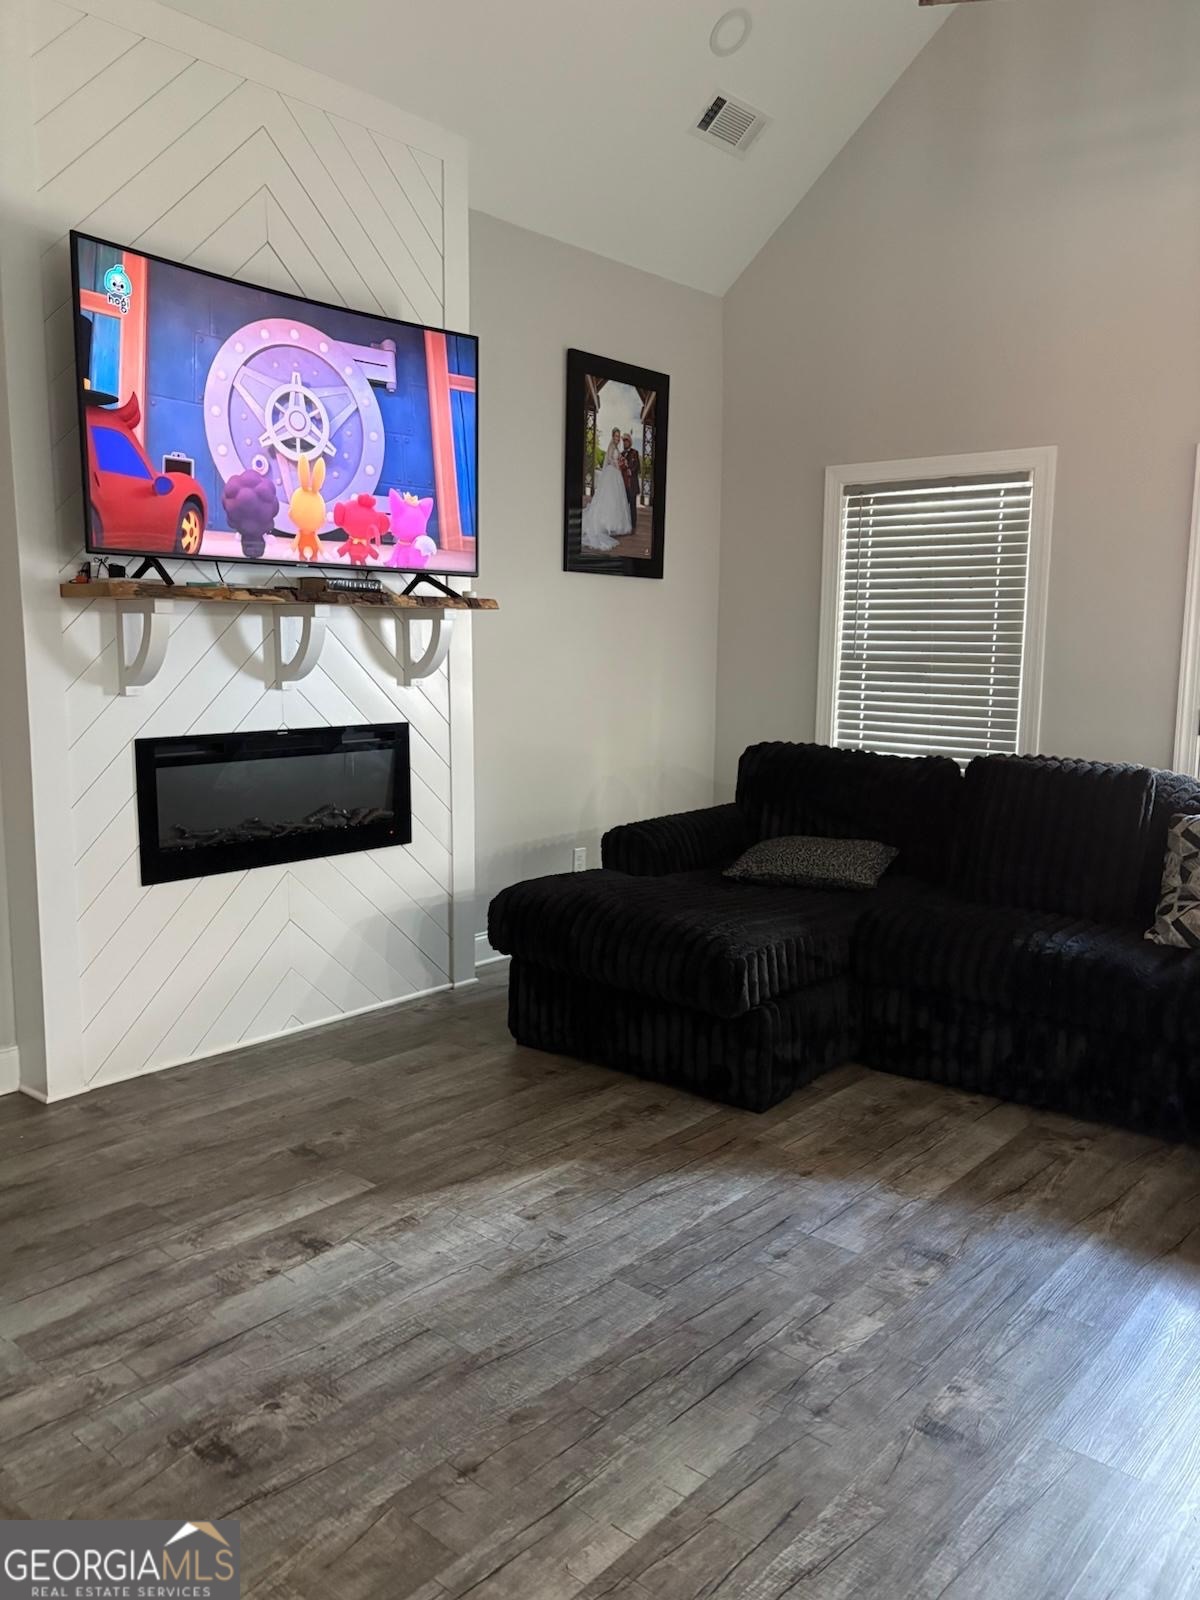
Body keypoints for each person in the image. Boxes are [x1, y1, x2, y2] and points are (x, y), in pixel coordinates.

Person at [581, 427, 632, 550]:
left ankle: (613, 524)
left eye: (618, 436)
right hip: (612, 473)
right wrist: (616, 465)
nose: (617, 438)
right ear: (612, 436)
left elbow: (617, 459)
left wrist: (620, 463)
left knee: (616, 499)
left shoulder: (617, 448)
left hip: (616, 474)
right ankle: (606, 524)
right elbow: (609, 459)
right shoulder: (611, 446)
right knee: (609, 498)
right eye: (616, 436)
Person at [620, 432, 641, 531]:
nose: (625, 442)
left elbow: (637, 467)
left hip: (632, 485)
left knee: (632, 506)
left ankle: (633, 526)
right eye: (623, 441)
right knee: (623, 506)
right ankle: (623, 525)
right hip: (623, 485)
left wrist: (631, 471)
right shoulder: (621, 454)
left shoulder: (635, 453)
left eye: (626, 441)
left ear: (630, 442)